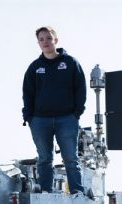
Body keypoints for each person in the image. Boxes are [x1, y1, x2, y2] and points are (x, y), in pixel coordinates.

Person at [22, 26, 86, 194]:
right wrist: (30, 117)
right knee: (44, 159)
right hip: (40, 120)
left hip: (67, 119)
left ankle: (77, 193)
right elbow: (27, 93)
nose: (45, 42)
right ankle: (45, 194)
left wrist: (76, 113)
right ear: (38, 43)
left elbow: (80, 88)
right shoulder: (34, 67)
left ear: (55, 40)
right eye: (41, 39)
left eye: (48, 38)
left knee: (71, 159)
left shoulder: (71, 63)